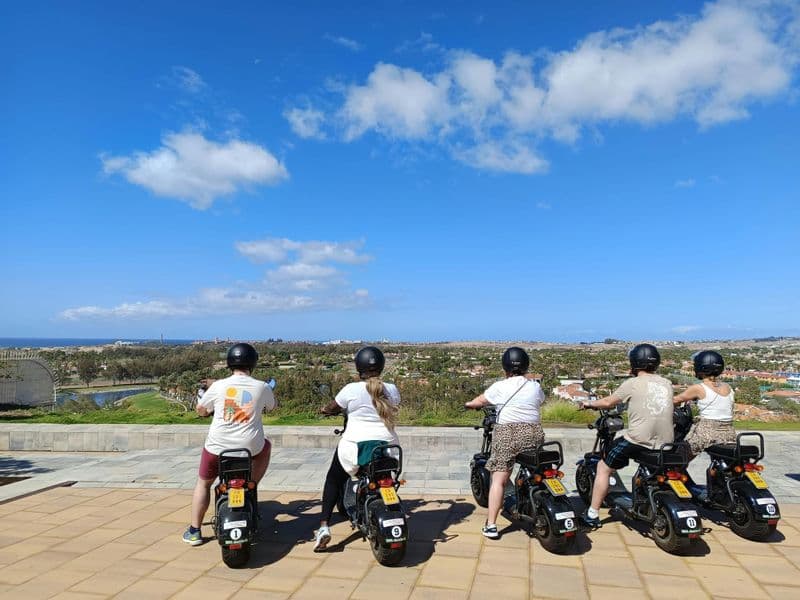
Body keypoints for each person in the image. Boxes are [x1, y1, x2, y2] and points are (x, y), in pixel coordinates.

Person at [182, 343, 276, 545]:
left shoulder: (217, 386)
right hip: (251, 449)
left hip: (217, 449)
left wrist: (207, 404)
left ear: (229, 363)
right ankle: (251, 485)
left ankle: (195, 531)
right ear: (252, 363)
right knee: (266, 446)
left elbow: (201, 410)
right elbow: (271, 407)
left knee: (204, 484)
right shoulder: (262, 387)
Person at [313, 346, 400, 551]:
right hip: (388, 449)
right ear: (381, 366)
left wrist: (324, 410)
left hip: (355, 449)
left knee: (334, 479)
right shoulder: (392, 389)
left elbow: (333, 407)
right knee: (384, 476)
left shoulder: (351, 390)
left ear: (359, 367)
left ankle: (324, 526)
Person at [579, 343, 674, 529]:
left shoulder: (632, 383)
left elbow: (608, 402)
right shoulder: (667, 383)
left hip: (638, 440)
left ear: (634, 363)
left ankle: (592, 514)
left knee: (603, 467)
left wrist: (588, 404)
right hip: (667, 442)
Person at [464, 347, 545, 539]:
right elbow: (540, 401)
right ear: (526, 366)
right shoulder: (534, 386)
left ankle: (491, 525)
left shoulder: (499, 386)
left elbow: (480, 401)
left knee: (498, 480)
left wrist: (469, 404)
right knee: (533, 468)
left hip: (507, 434)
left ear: (505, 367)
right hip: (533, 433)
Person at [672, 350, 735, 458]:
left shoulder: (699, 388)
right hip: (729, 434)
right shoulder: (728, 387)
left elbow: (675, 400)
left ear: (700, 368)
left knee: (679, 458)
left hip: (706, 433)